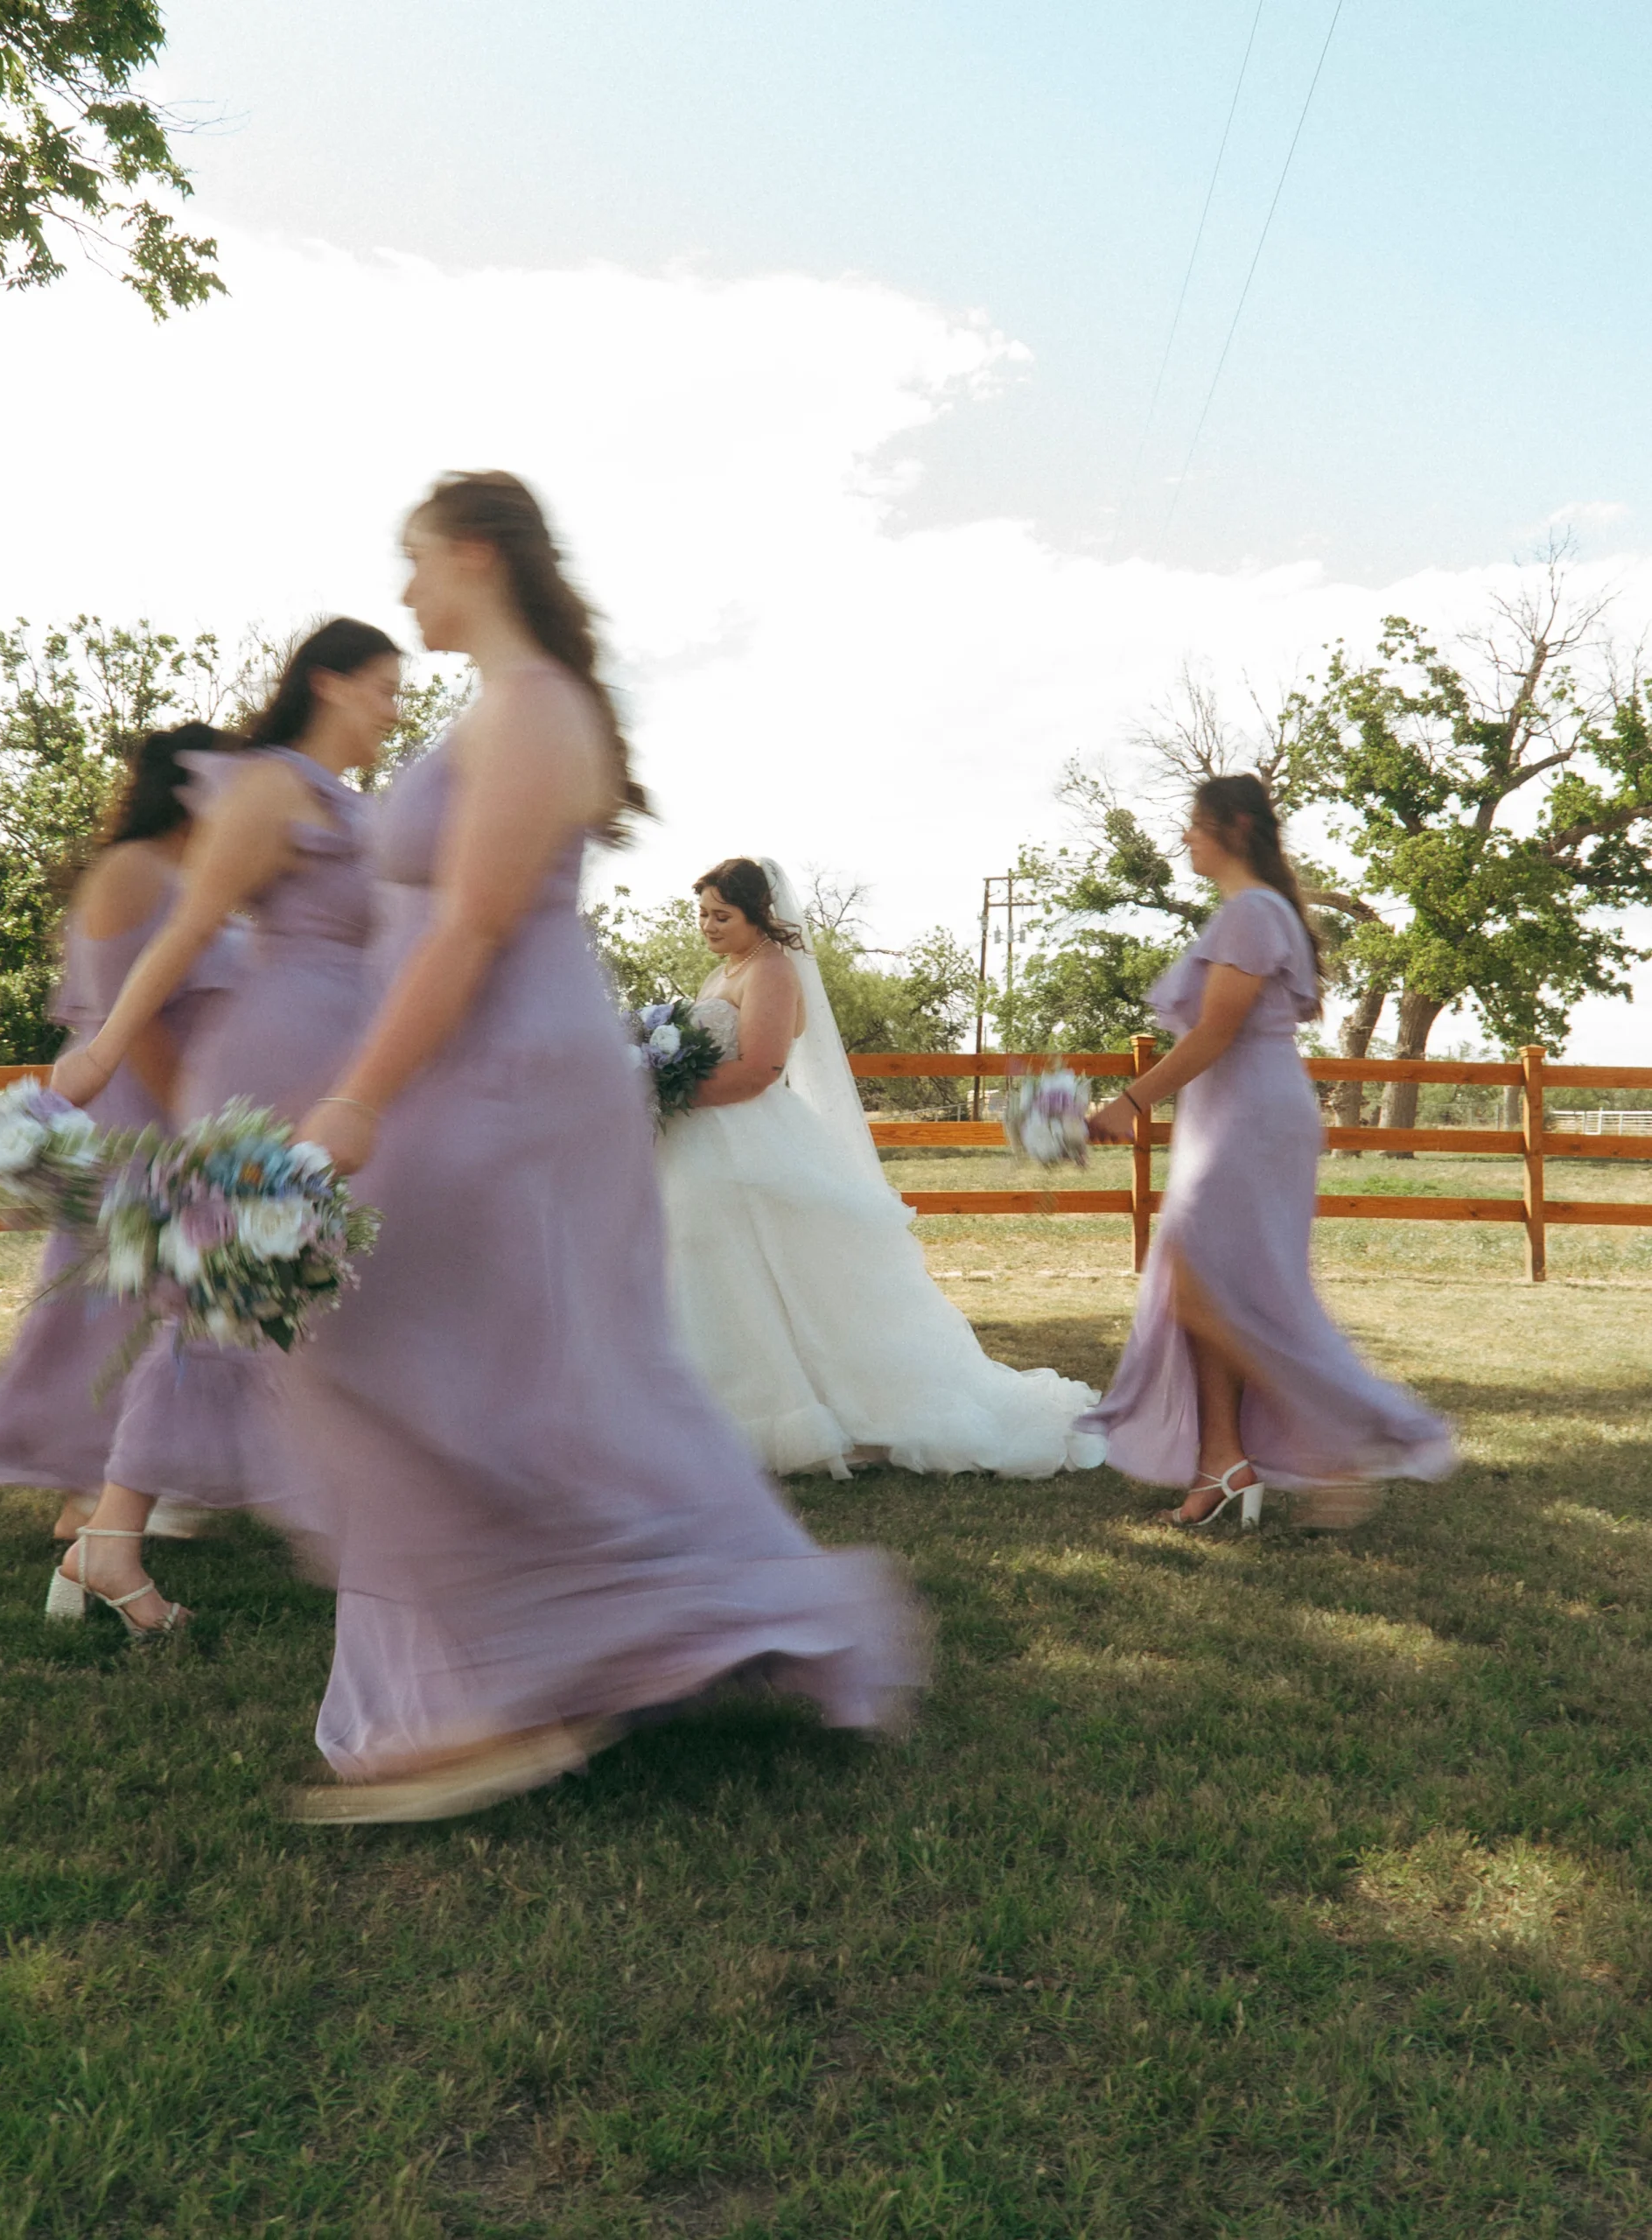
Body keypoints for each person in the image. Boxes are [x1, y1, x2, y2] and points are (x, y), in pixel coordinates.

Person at [285, 471, 922, 1824]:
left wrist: (356, 1098)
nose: (404, 596)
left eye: (416, 565)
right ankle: (516, 1665)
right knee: (454, 1351)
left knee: (443, 1350)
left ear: (471, 555)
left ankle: (540, 1673)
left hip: (506, 1075)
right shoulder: (498, 710)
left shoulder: (537, 711)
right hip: (470, 1067)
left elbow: (467, 928)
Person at [45, 619, 401, 1634]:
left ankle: (115, 1537)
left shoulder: (350, 803)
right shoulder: (274, 787)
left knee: (250, 1302)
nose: (393, 708)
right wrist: (107, 1050)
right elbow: (194, 926)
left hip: (347, 1062)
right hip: (275, 1063)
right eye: (382, 687)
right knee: (232, 1298)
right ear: (329, 683)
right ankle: (128, 1536)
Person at [1080, 774, 1454, 1529]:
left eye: (1194, 823)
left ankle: (1337, 1438)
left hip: (1248, 1119)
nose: (1184, 836)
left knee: (1205, 1291)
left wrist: (1128, 1103)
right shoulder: (1251, 912)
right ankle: (1224, 1463)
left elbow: (1215, 1031)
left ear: (1235, 827)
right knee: (1213, 1291)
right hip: (1227, 1116)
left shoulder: (1253, 912)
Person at [656, 856, 1107, 1479]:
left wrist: (661, 1093)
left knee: (781, 1274)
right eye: (702, 914)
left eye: (721, 914)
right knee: (718, 1272)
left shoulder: (772, 970)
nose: (707, 925)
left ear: (758, 913)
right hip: (706, 1147)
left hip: (752, 1144)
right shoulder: (721, 972)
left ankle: (812, 1413)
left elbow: (760, 1069)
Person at [0, 724, 247, 1540]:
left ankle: (111, 1491)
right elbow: (127, 1017)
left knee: (143, 1300)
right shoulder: (131, 871)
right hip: (129, 1115)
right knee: (108, 1305)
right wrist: (195, 1125)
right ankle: (100, 1485)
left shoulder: (199, 873)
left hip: (172, 1107)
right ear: (188, 788)